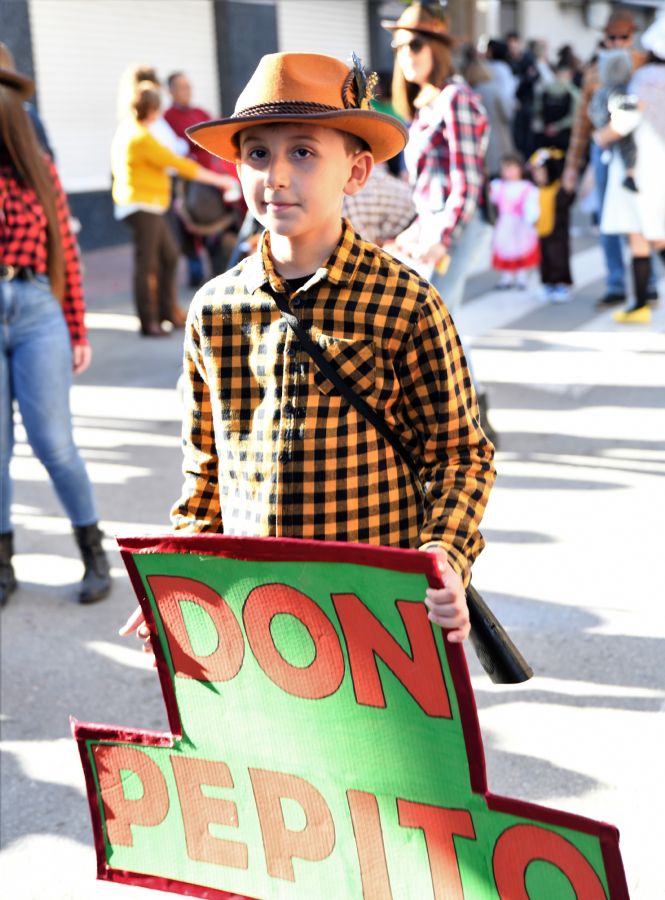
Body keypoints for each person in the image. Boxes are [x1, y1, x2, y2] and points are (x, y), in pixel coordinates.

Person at [120, 49, 497, 653]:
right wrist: (182, 575)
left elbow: (461, 456)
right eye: (257, 153)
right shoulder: (214, 310)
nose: (275, 175)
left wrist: (444, 555)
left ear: (356, 171)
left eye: (303, 151)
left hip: (378, 610)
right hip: (258, 613)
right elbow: (205, 469)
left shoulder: (406, 302)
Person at [0, 44, 111, 607]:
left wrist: (78, 328)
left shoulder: (36, 168)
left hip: (37, 308)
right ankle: (3, 565)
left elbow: (64, 250)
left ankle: (93, 551)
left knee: (54, 443)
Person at [382, 2, 498, 445]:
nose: (406, 54)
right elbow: (421, 190)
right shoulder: (423, 105)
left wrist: (442, 239)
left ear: (437, 47)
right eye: (398, 46)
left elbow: (467, 183)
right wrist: (411, 233)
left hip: (457, 226)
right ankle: (468, 415)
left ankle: (472, 419)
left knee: (439, 322)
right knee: (436, 322)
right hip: (430, 224)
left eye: (415, 44)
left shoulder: (457, 99)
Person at [110, 82, 236, 336]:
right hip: (141, 205)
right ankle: (149, 322)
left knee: (168, 257)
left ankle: (166, 311)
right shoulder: (140, 137)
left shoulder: (132, 129)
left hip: (149, 205)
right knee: (147, 264)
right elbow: (178, 164)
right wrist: (221, 180)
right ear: (152, 109)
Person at [563, 7, 659, 308]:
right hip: (605, 150)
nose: (617, 42)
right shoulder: (594, 70)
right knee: (610, 219)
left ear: (633, 37)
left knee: (646, 220)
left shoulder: (645, 67)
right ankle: (617, 283)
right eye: (611, 37)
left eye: (623, 36)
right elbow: (582, 122)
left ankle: (649, 286)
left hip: (641, 151)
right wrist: (572, 166)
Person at [594, 13, 665, 324]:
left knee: (644, 234)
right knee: (648, 234)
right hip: (652, 161)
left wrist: (603, 135)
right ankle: (638, 303)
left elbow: (628, 117)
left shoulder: (648, 77)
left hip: (642, 164)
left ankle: (638, 305)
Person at [164, 71, 244, 284]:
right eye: (181, 87)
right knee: (188, 232)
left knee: (218, 230)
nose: (186, 91)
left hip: (214, 179)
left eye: (188, 86)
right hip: (188, 182)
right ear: (170, 91)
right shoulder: (166, 118)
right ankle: (195, 272)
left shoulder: (200, 113)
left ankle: (221, 271)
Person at [588, 48, 639, 192]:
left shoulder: (600, 90)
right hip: (612, 129)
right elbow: (622, 109)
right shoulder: (618, 90)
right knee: (628, 148)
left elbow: (591, 110)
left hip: (601, 133)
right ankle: (629, 175)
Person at [528, 147, 575, 302]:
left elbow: (567, 200)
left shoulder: (557, 189)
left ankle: (561, 284)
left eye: (541, 171)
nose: (537, 175)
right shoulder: (537, 190)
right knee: (544, 259)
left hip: (558, 233)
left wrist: (568, 187)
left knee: (558, 257)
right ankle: (548, 283)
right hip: (541, 231)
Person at [462, 45, 516, 179]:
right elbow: (508, 114)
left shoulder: (467, 93)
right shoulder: (494, 90)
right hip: (499, 139)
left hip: (477, 144)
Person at [489, 152, 540, 290]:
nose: (509, 172)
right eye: (505, 168)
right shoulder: (498, 186)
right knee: (506, 250)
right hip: (505, 223)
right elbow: (490, 198)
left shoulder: (527, 188)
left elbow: (532, 205)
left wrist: (532, 219)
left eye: (512, 168)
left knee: (520, 250)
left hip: (521, 224)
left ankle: (521, 277)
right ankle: (506, 277)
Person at [532, 61, 580, 152]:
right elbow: (575, 116)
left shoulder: (545, 90)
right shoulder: (574, 93)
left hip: (553, 135)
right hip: (559, 137)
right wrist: (556, 127)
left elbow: (537, 111)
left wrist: (553, 127)